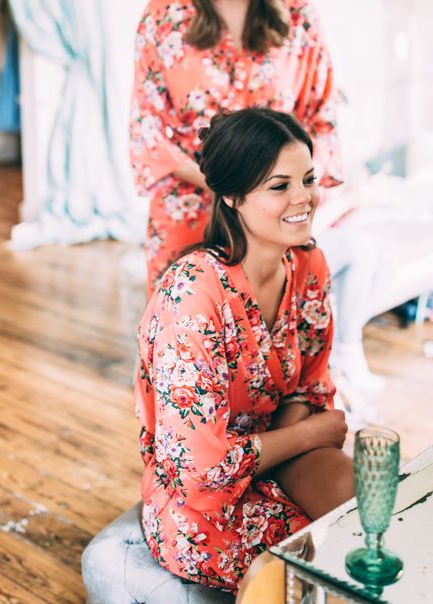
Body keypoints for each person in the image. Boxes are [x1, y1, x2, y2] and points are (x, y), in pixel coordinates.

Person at [134, 108, 353, 593]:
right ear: (232, 196)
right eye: (279, 186)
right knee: (319, 562)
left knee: (375, 515)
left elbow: (313, 387)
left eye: (308, 179)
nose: (303, 198)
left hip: (279, 450)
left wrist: (299, 435)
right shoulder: (191, 296)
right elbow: (199, 472)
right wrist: (305, 436)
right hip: (199, 505)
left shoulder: (309, 264)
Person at [129, 0, 342, 296]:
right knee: (183, 321)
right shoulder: (164, 14)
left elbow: (321, 118)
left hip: (275, 208)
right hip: (190, 201)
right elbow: (147, 126)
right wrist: (229, 186)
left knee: (275, 327)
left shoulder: (297, 12)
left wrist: (287, 186)